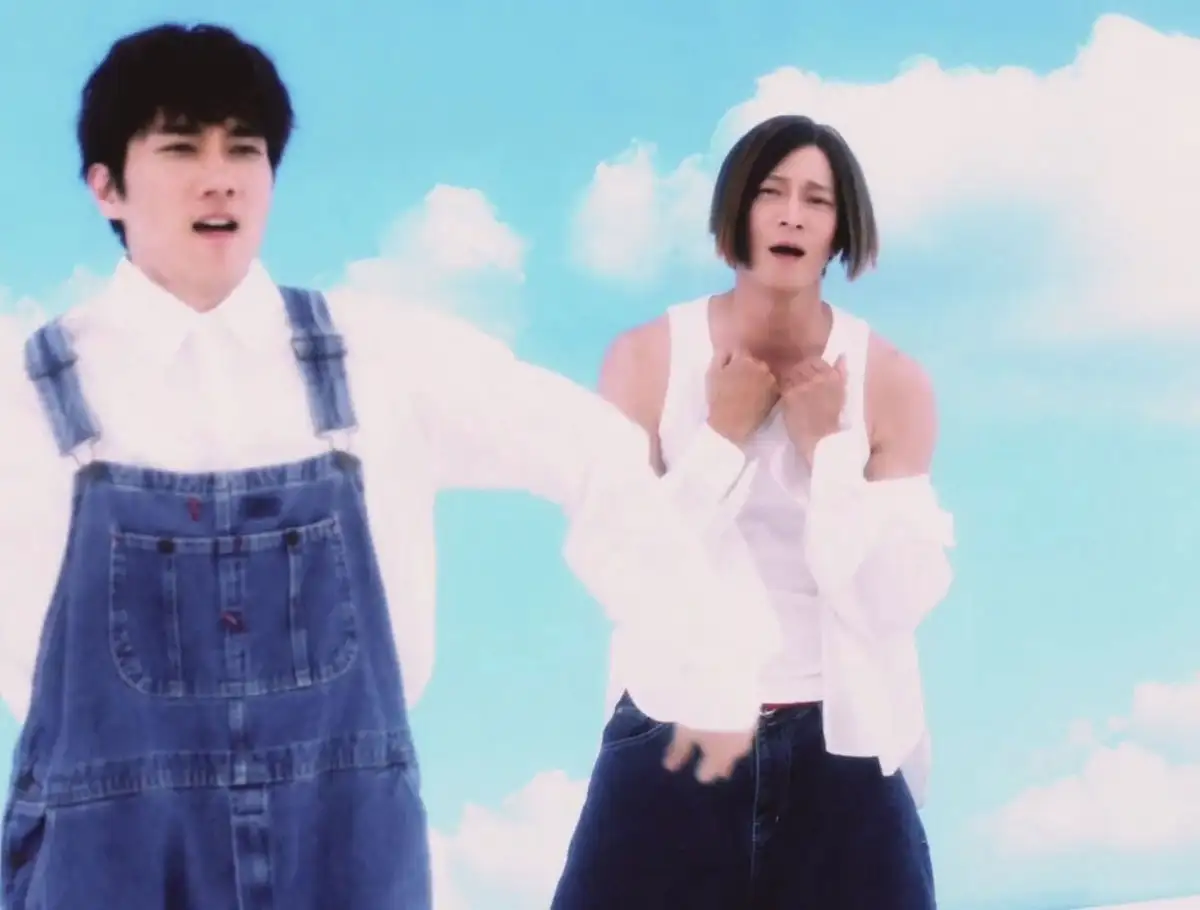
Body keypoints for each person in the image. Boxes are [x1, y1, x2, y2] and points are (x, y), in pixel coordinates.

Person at [0, 24, 785, 910]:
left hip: (343, 841)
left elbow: (588, 448)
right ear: (106, 185)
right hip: (106, 854)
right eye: (181, 148)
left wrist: (702, 664)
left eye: (244, 150)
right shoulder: (22, 399)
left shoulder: (380, 357)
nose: (220, 177)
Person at [551, 114, 958, 908]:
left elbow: (894, 601)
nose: (791, 216)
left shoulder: (892, 380)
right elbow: (620, 572)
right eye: (771, 192)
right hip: (675, 726)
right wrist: (720, 439)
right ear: (736, 212)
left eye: (817, 200)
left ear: (841, 230)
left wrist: (830, 453)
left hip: (844, 736)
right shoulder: (646, 358)